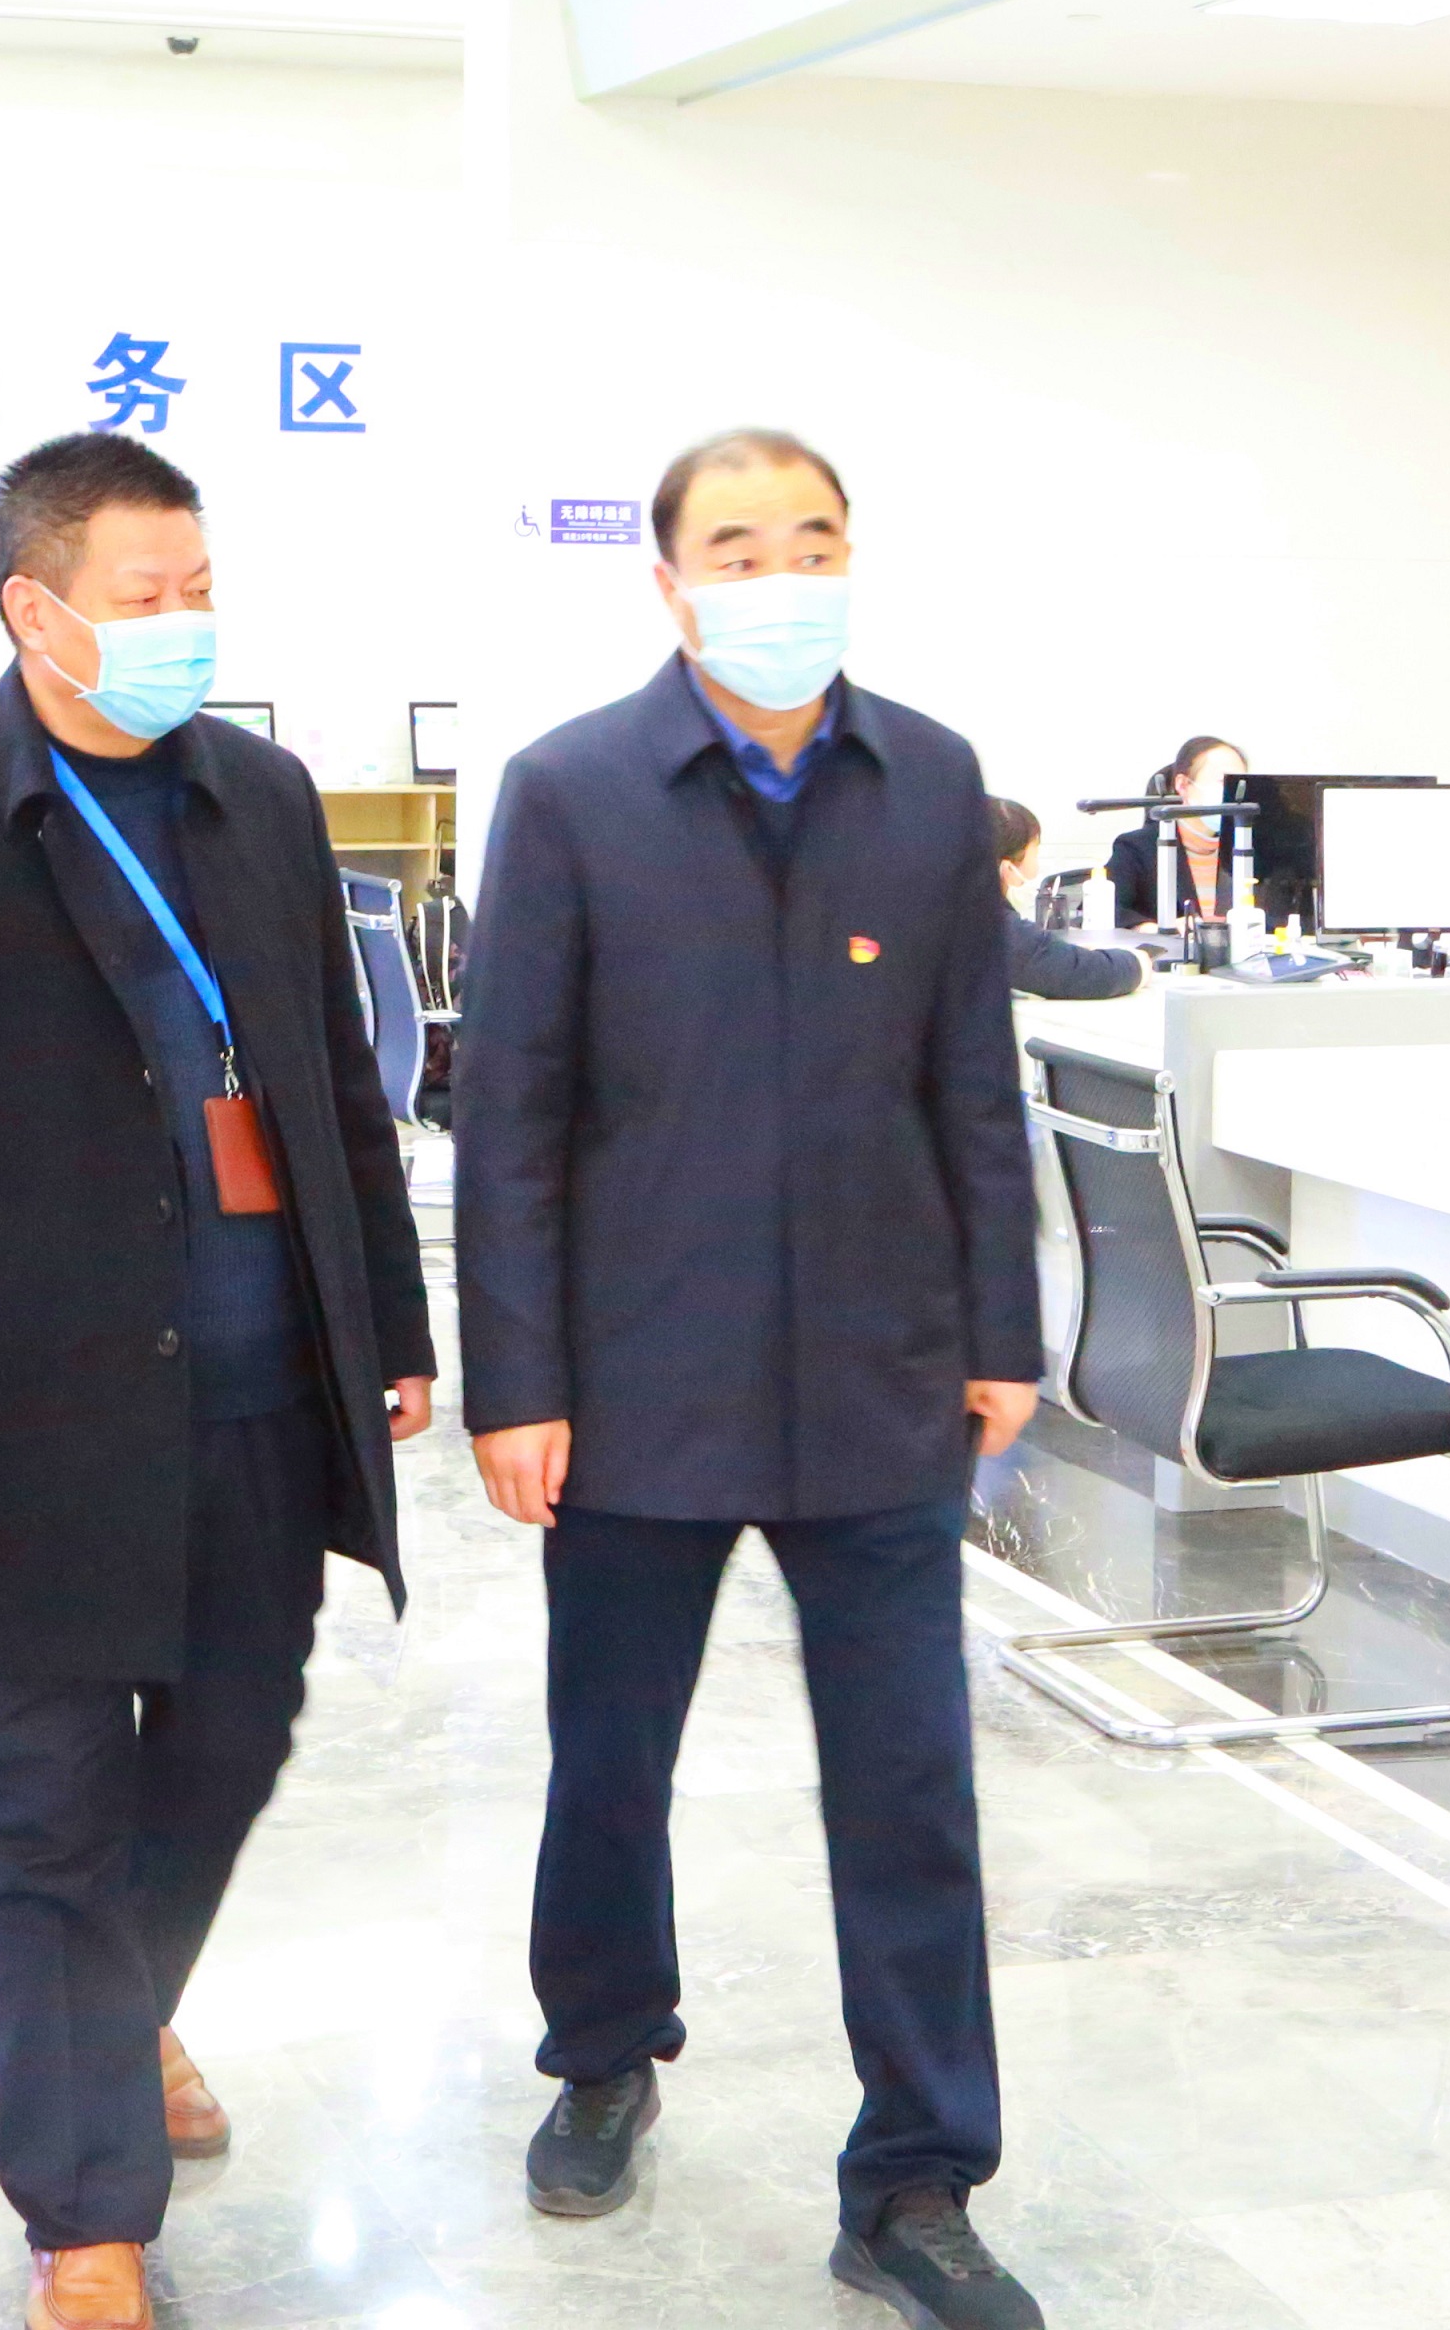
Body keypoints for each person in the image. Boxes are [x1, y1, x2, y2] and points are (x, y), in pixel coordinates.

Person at [0, 431, 434, 2330]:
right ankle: (86, 2213)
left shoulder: (258, 798)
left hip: (259, 1392)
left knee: (233, 1743)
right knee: (47, 1809)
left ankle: (119, 2010)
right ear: (35, 608)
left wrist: (390, 1327)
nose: (183, 624)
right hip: (32, 1420)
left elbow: (333, 1086)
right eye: (143, 597)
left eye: (199, 590)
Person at [459, 425, 1050, 2330]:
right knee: (607, 1755)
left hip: (880, 1376)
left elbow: (970, 1082)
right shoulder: (570, 791)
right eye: (735, 545)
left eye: (810, 539)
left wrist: (1001, 1330)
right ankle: (599, 2051)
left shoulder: (926, 779)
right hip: (637, 1375)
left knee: (910, 1786)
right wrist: (514, 1380)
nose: (777, 573)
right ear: (668, 581)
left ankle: (916, 2179)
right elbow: (510, 1115)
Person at [989, 796, 1139, 1003]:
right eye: (1035, 851)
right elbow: (1080, 974)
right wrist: (1136, 963)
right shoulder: (987, 924)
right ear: (1008, 869)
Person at [1104, 734, 1249, 927]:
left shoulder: (1249, 848)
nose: (1232, 792)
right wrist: (1153, 929)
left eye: (1239, 784)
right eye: (1223, 781)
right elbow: (1103, 911)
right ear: (1183, 785)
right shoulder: (1137, 848)